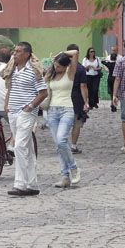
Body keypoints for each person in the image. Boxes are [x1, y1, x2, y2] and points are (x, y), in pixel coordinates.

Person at [4, 42, 48, 196]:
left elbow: (43, 92)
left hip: (26, 112)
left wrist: (30, 106)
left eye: (18, 51)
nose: (15, 54)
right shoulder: (13, 69)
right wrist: (7, 104)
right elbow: (10, 88)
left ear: (27, 54)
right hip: (13, 111)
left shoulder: (34, 71)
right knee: (27, 148)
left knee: (19, 146)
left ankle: (20, 184)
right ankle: (32, 184)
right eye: (14, 51)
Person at [45, 50, 81, 188]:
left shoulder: (69, 73)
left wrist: (61, 53)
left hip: (66, 109)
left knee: (61, 140)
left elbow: (75, 52)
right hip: (52, 111)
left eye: (59, 66)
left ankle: (74, 167)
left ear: (66, 66)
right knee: (59, 146)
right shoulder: (51, 74)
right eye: (55, 65)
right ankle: (65, 176)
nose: (56, 67)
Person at [66, 43, 90, 154]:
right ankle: (73, 145)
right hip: (77, 98)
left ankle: (62, 144)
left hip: (64, 96)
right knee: (76, 123)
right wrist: (86, 101)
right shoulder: (80, 69)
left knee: (64, 122)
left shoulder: (62, 67)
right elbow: (83, 86)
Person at [101, 45, 120, 112]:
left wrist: (106, 61)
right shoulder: (118, 64)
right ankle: (115, 104)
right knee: (116, 91)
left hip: (110, 78)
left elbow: (102, 62)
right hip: (117, 78)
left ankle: (112, 102)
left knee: (111, 91)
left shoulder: (109, 64)